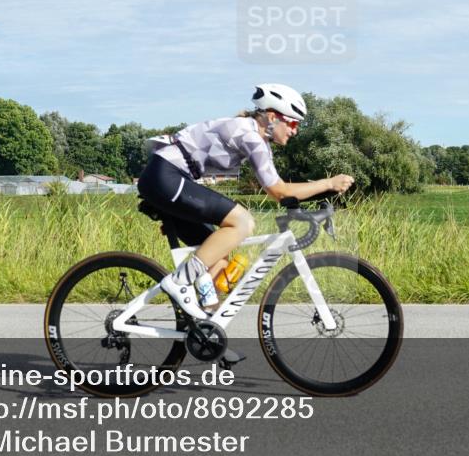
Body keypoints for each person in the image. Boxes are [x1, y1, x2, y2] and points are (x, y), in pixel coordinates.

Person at [137, 84, 355, 318]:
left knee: (218, 255)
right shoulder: (250, 135)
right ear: (272, 117)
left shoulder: (258, 139)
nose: (295, 131)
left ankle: (207, 326)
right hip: (166, 175)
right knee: (242, 222)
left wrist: (309, 199)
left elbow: (282, 192)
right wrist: (328, 183)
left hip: (170, 179)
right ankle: (179, 282)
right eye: (293, 123)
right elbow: (278, 191)